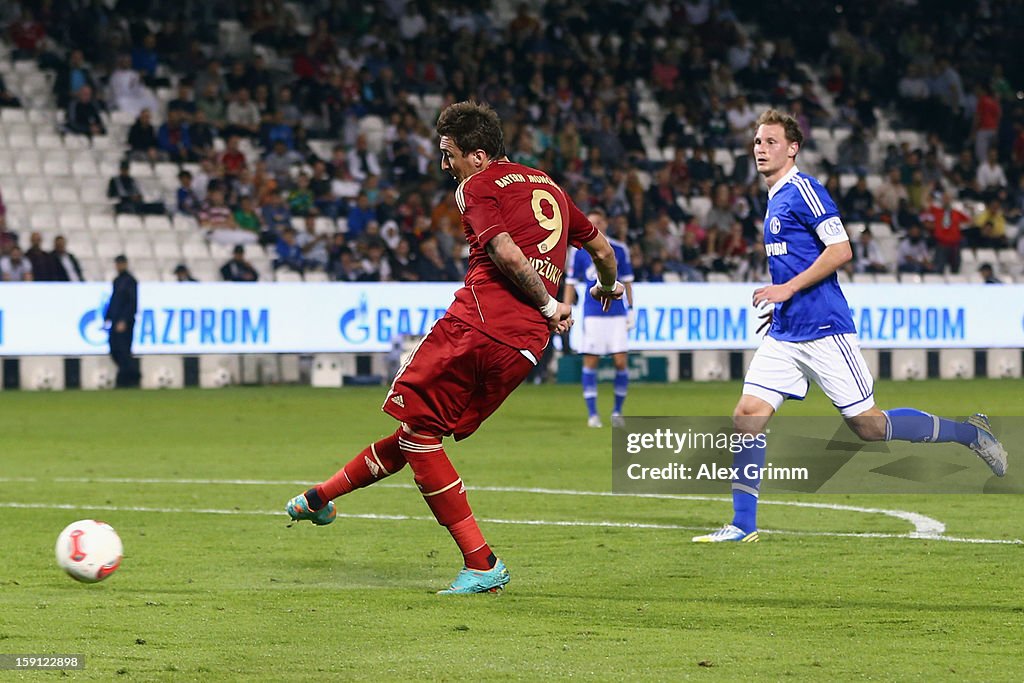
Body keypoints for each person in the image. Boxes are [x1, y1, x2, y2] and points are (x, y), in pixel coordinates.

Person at [285, 101, 623, 593]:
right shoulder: (548, 185)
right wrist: (608, 289)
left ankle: (482, 563)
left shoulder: (477, 186)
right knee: (419, 431)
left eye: (450, 155)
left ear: (479, 156)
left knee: (420, 436)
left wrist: (551, 306)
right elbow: (603, 252)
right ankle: (319, 498)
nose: (446, 167)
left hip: (480, 326)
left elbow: (503, 251)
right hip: (525, 348)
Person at [693, 110, 1007, 544]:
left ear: (792, 148)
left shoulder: (806, 190)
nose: (760, 149)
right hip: (785, 333)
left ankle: (970, 433)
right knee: (746, 416)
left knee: (869, 426)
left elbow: (841, 250)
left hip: (824, 328)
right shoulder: (775, 196)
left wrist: (787, 290)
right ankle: (743, 525)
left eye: (770, 141)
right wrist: (783, 300)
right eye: (757, 142)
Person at [564, 208, 634, 428]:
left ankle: (617, 412)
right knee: (591, 361)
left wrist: (631, 309)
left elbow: (628, 281)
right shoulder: (579, 251)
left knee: (621, 362)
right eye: (590, 223)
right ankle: (593, 414)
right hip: (593, 314)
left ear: (604, 224)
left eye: (598, 222)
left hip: (616, 313)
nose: (595, 226)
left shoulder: (620, 249)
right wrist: (567, 309)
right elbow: (570, 283)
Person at [104, 255, 139, 388]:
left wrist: (124, 319)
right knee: (114, 349)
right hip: (115, 320)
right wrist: (107, 316)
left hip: (125, 322)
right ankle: (131, 374)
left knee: (124, 350)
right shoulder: (117, 281)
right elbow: (113, 300)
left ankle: (127, 379)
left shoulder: (130, 281)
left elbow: (132, 302)